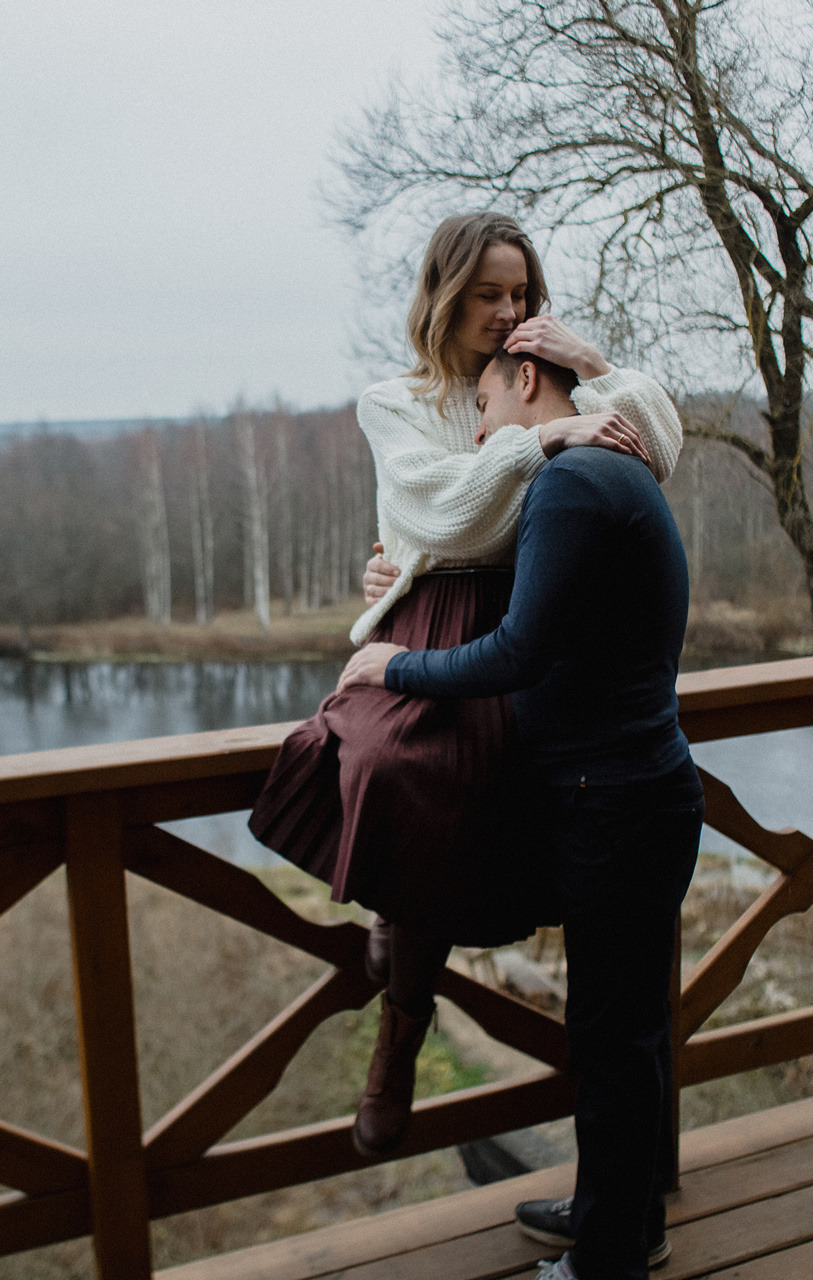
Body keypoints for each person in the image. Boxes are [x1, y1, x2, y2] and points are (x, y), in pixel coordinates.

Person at [246, 211, 684, 1160]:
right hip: (432, 624)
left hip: (523, 626)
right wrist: (549, 444)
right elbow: (443, 515)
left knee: (507, 796)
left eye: (521, 293)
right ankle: (400, 1033)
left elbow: (660, 451)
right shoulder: (394, 401)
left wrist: (593, 365)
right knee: (403, 769)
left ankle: (400, 933)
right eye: (489, 292)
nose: (509, 310)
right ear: (446, 295)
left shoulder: (543, 382)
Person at [337, 345, 703, 1280]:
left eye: (488, 402)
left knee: (613, 1042)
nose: (482, 427)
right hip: (636, 791)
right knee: (621, 1029)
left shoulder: (573, 482)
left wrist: (394, 666)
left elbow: (515, 653)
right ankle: (607, 1211)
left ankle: (608, 1258)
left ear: (529, 381)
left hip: (614, 802)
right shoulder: (606, 470)